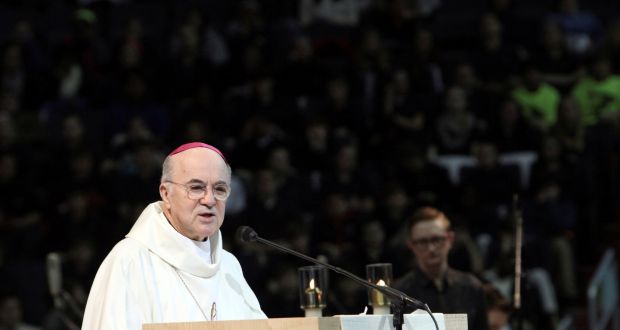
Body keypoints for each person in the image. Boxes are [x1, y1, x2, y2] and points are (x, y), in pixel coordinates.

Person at [82, 142, 267, 329]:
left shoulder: (229, 267)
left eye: (219, 189)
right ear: (166, 193)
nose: (210, 200)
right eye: (196, 187)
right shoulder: (131, 261)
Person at [393, 206, 489, 330]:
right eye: (422, 242)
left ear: (450, 239)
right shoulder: (400, 292)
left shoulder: (471, 287)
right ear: (411, 245)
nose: (431, 248)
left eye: (436, 239)